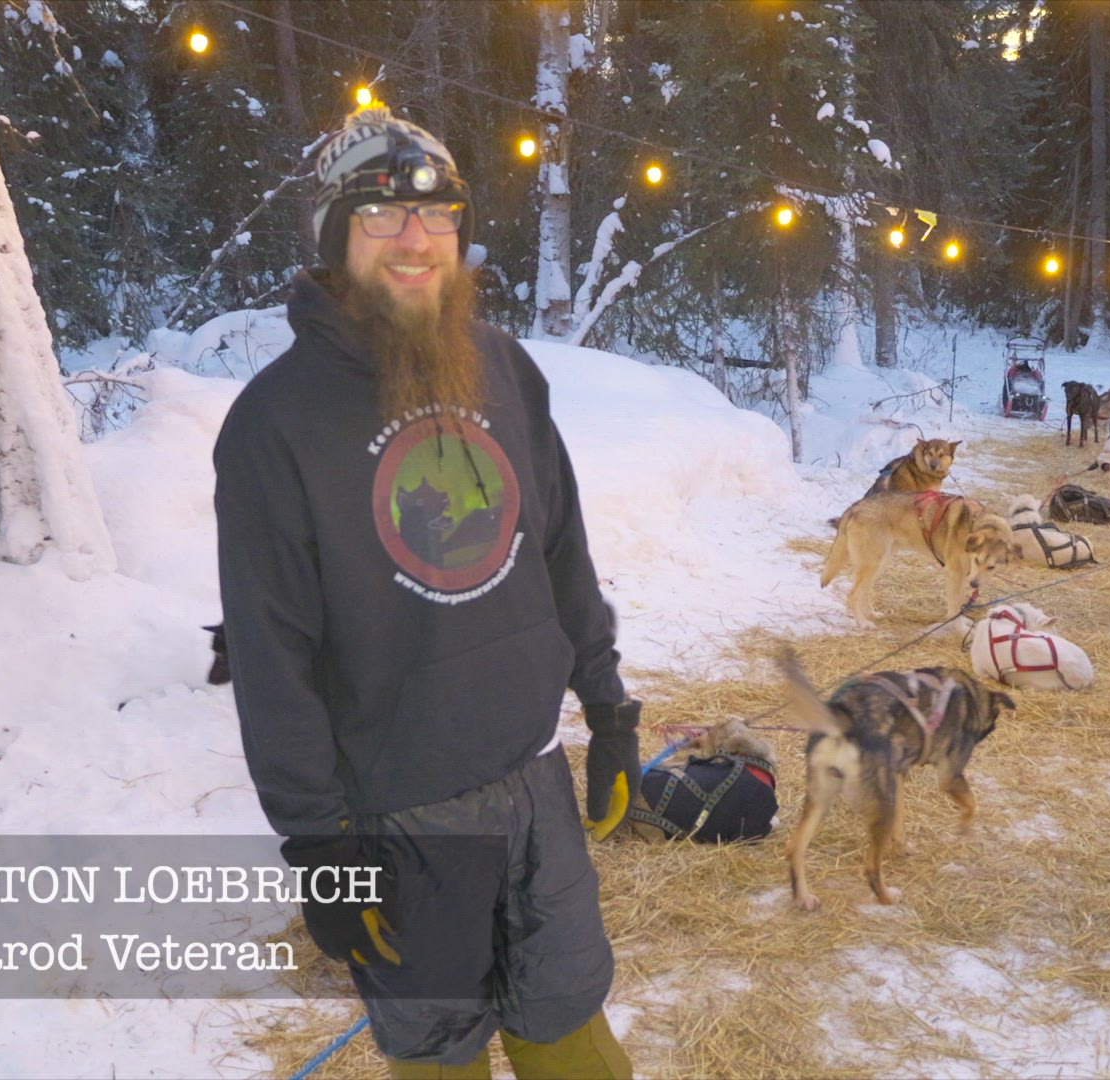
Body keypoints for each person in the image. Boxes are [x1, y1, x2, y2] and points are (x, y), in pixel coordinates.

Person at [213, 106, 639, 1079]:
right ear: (333, 237)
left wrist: (608, 706)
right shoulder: (276, 424)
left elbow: (561, 551)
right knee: (440, 1058)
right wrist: (320, 847)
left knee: (571, 1030)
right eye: (380, 215)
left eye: (438, 212)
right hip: (401, 819)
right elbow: (273, 659)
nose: (416, 239)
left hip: (535, 782)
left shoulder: (502, 367)